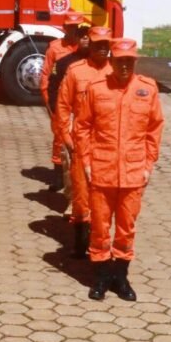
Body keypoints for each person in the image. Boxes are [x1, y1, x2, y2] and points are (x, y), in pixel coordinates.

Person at [74, 39, 164, 302]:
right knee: (100, 228)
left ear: (135, 62)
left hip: (134, 172)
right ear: (112, 62)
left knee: (126, 228)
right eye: (120, 60)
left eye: (129, 61)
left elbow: (154, 129)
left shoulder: (147, 89)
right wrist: (88, 163)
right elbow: (82, 127)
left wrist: (148, 164)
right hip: (102, 170)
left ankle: (120, 276)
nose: (124, 66)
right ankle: (101, 277)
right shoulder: (97, 88)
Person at [53, 27, 113, 257]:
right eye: (97, 43)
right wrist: (66, 138)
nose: (101, 48)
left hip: (107, 146)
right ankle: (80, 240)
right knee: (81, 196)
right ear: (90, 45)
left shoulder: (115, 71)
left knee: (104, 196)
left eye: (105, 44)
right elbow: (63, 106)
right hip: (80, 143)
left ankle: (100, 240)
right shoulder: (76, 71)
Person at [40, 13, 89, 191]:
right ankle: (58, 176)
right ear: (64, 27)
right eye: (70, 26)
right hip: (61, 103)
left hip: (82, 104)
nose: (74, 29)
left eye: (77, 26)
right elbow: (47, 77)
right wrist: (50, 105)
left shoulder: (87, 49)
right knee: (60, 138)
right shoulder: (55, 48)